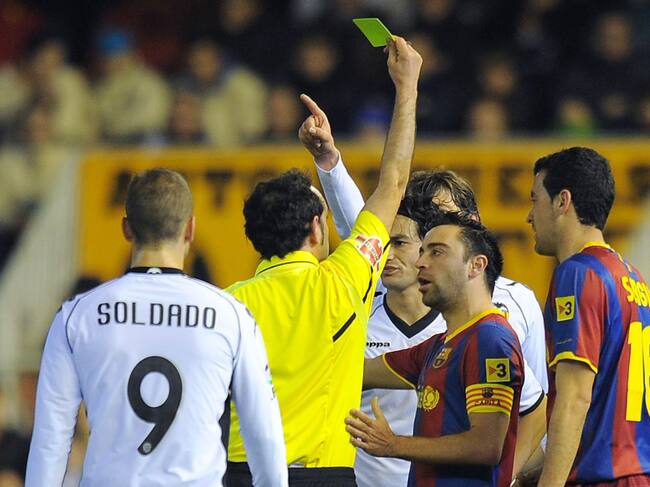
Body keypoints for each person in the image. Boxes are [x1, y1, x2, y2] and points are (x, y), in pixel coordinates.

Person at [300, 104, 546, 484]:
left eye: (437, 246)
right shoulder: (432, 339)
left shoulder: (494, 327)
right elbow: (360, 224)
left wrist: (507, 477)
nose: (392, 256)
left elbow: (515, 424)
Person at [224, 37, 422, 486]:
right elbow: (394, 181)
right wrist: (407, 87)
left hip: (239, 473)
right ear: (316, 227)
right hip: (322, 474)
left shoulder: (228, 305)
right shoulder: (343, 282)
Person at [25, 168, 287, 486]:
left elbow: (50, 441)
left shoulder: (76, 316)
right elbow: (264, 436)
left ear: (126, 229)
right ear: (190, 229)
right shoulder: (230, 315)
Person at [347, 213, 524, 486]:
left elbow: (486, 445)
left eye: (437, 252)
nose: (421, 262)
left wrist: (393, 444)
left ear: (476, 265)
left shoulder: (490, 338)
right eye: (422, 252)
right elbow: (357, 372)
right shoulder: (440, 345)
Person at [529, 147, 650, 486]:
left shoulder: (578, 273)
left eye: (535, 199)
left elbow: (575, 398)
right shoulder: (632, 277)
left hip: (605, 478)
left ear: (562, 201)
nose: (529, 215)